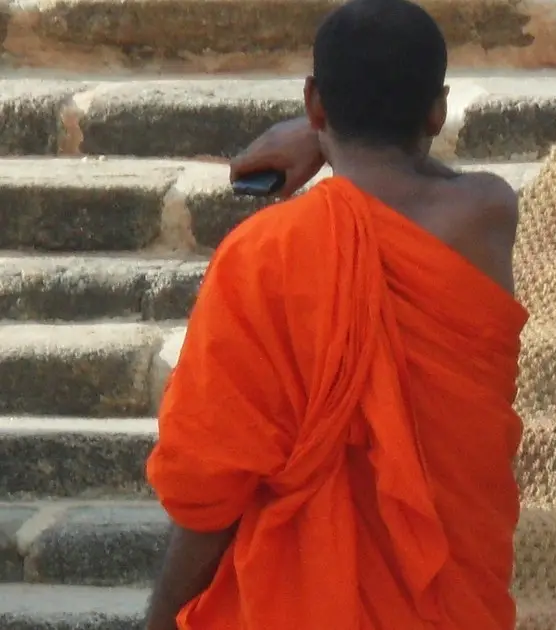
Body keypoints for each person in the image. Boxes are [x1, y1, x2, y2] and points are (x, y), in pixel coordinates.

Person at [144, 0, 528, 628]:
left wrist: (161, 617)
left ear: (315, 102)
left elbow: (209, 483)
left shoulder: (262, 253)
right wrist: (326, 131)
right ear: (437, 110)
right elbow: (428, 173)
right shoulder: (485, 215)